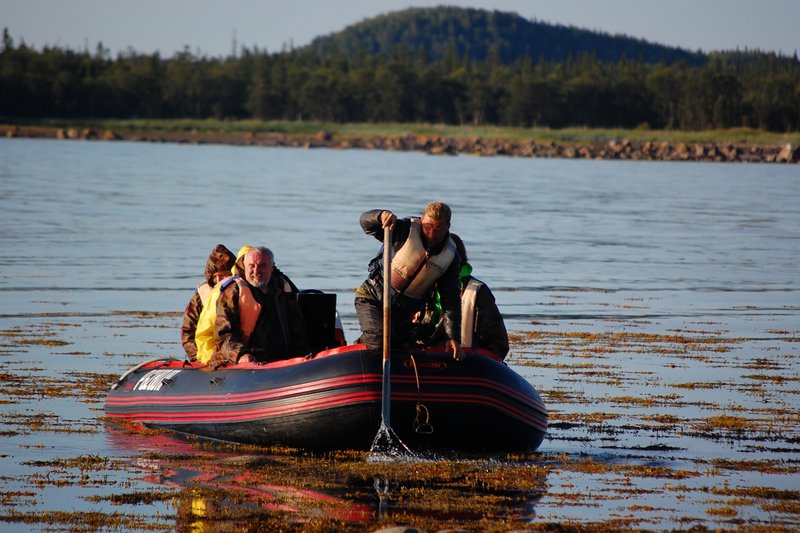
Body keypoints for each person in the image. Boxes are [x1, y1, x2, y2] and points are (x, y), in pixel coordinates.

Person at [354, 202, 465, 361]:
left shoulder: (451, 256)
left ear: (448, 226)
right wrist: (380, 216)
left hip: (405, 312)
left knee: (403, 349)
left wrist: (453, 337)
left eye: (438, 229)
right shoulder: (403, 230)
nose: (431, 234)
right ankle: (357, 355)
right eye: (428, 227)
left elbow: (451, 299)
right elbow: (366, 223)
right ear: (421, 220)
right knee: (379, 342)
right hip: (373, 297)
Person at [194, 245, 299, 364]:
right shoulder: (232, 292)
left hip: (282, 361)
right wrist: (241, 355)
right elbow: (224, 334)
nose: (256, 271)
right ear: (245, 266)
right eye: (251, 266)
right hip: (245, 361)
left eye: (262, 266)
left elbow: (298, 329)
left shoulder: (283, 290)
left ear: (272, 267)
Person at [416, 233, 510, 359]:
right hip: (424, 363)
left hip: (464, 365)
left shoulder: (477, 292)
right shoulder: (421, 289)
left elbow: (498, 345)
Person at [180, 244, 235, 360]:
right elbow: (188, 331)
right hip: (206, 356)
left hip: (230, 353)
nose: (220, 280)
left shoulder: (237, 292)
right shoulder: (202, 294)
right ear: (210, 277)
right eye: (216, 276)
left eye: (224, 275)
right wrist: (197, 357)